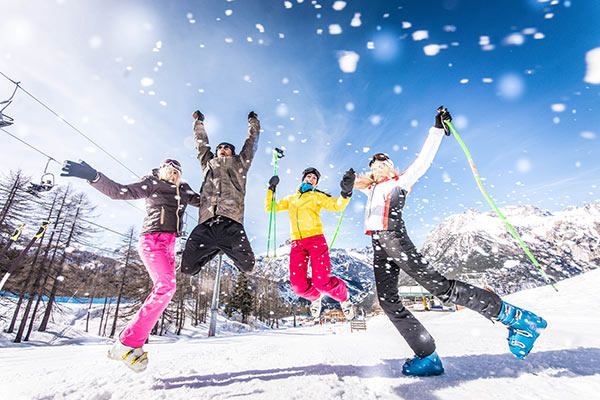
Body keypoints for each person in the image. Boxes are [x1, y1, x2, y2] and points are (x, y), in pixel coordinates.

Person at [354, 107, 547, 377]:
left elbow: (423, 161)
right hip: (379, 246)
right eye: (375, 166)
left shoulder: (401, 182)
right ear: (372, 173)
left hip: (395, 239)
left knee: (441, 288)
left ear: (391, 168)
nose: (380, 168)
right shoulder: (372, 190)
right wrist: (346, 185)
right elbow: (356, 190)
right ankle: (427, 356)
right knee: (387, 301)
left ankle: (519, 319)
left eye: (384, 164)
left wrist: (436, 131)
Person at [60, 158, 201, 372]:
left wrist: (226, 189)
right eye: (169, 170)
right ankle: (128, 343)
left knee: (166, 290)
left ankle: (132, 343)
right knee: (166, 287)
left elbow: (206, 201)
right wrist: (94, 176)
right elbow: (119, 191)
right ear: (161, 170)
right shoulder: (152, 183)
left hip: (170, 245)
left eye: (176, 172)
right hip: (152, 240)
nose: (172, 174)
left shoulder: (183, 191)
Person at [265, 167, 356, 320]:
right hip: (297, 244)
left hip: (316, 240)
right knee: (298, 287)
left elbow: (337, 205)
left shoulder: (317, 196)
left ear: (316, 183)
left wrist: (346, 193)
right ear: (303, 179)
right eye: (309, 176)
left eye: (314, 178)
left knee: (321, 282)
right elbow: (271, 207)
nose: (311, 179)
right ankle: (315, 298)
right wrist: (271, 188)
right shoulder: (291, 199)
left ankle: (344, 299)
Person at [181, 110, 260, 275]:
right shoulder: (208, 164)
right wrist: (199, 122)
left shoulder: (240, 163)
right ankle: (215, 247)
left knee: (248, 266)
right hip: (206, 223)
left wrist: (253, 122)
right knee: (188, 268)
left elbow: (251, 143)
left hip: (230, 222)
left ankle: (220, 245)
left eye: (227, 148)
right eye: (220, 148)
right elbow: (201, 144)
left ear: (233, 152)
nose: (223, 149)